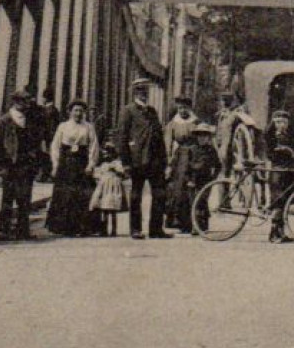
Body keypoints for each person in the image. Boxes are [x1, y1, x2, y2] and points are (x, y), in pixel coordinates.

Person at [110, 78, 169, 239]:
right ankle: (135, 229)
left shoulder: (152, 112)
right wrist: (126, 163)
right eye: (140, 91)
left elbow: (159, 137)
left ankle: (156, 229)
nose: (143, 94)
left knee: (160, 195)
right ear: (135, 92)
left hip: (155, 161)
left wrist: (164, 160)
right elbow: (121, 138)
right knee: (136, 195)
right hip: (137, 161)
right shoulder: (128, 111)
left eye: (145, 92)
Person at [0, 90, 46, 239]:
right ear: (16, 102)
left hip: (26, 164)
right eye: (25, 101)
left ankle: (23, 230)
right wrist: (0, 166)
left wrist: (36, 162)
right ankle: (4, 229)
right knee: (8, 196)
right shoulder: (4, 120)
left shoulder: (30, 120)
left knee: (25, 197)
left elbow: (37, 142)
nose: (28, 104)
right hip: (9, 163)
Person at [46, 98, 99, 236]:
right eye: (75, 110)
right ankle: (63, 226)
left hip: (81, 164)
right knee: (65, 194)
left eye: (81, 111)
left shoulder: (88, 127)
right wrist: (55, 164)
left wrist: (91, 164)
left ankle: (81, 227)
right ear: (70, 112)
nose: (78, 113)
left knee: (81, 195)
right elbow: (55, 146)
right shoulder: (63, 126)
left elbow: (93, 146)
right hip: (66, 164)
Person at [163, 95, 203, 233]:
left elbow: (203, 139)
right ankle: (179, 221)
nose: (182, 111)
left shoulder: (196, 122)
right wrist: (168, 161)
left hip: (194, 155)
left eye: (185, 108)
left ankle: (196, 223)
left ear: (189, 108)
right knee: (178, 189)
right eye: (180, 108)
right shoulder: (173, 124)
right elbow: (168, 142)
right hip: (179, 158)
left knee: (193, 188)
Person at [264, 108, 294, 242]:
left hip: (289, 172)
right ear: (274, 123)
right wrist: (283, 150)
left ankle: (282, 233)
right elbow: (269, 155)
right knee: (278, 202)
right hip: (278, 172)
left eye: (284, 122)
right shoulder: (270, 137)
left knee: (286, 202)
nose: (281, 125)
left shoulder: (290, 136)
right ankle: (273, 233)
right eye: (278, 122)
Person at [32, 87, 63, 185]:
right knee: (48, 156)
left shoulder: (48, 111)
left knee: (46, 156)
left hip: (47, 138)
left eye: (43, 97)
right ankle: (47, 175)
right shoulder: (54, 110)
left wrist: (45, 139)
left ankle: (46, 176)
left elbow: (49, 127)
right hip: (50, 137)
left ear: (45, 98)